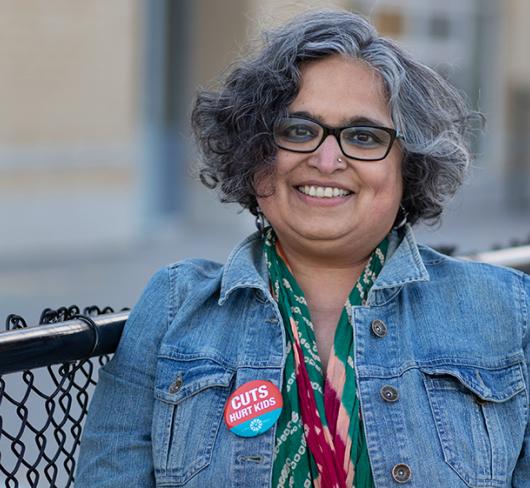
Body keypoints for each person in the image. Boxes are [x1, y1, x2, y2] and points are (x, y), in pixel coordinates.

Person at [76, 9, 530, 488]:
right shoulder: (173, 307)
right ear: (255, 154)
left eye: (363, 136)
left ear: (408, 166)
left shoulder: (509, 312)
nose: (327, 159)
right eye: (297, 130)